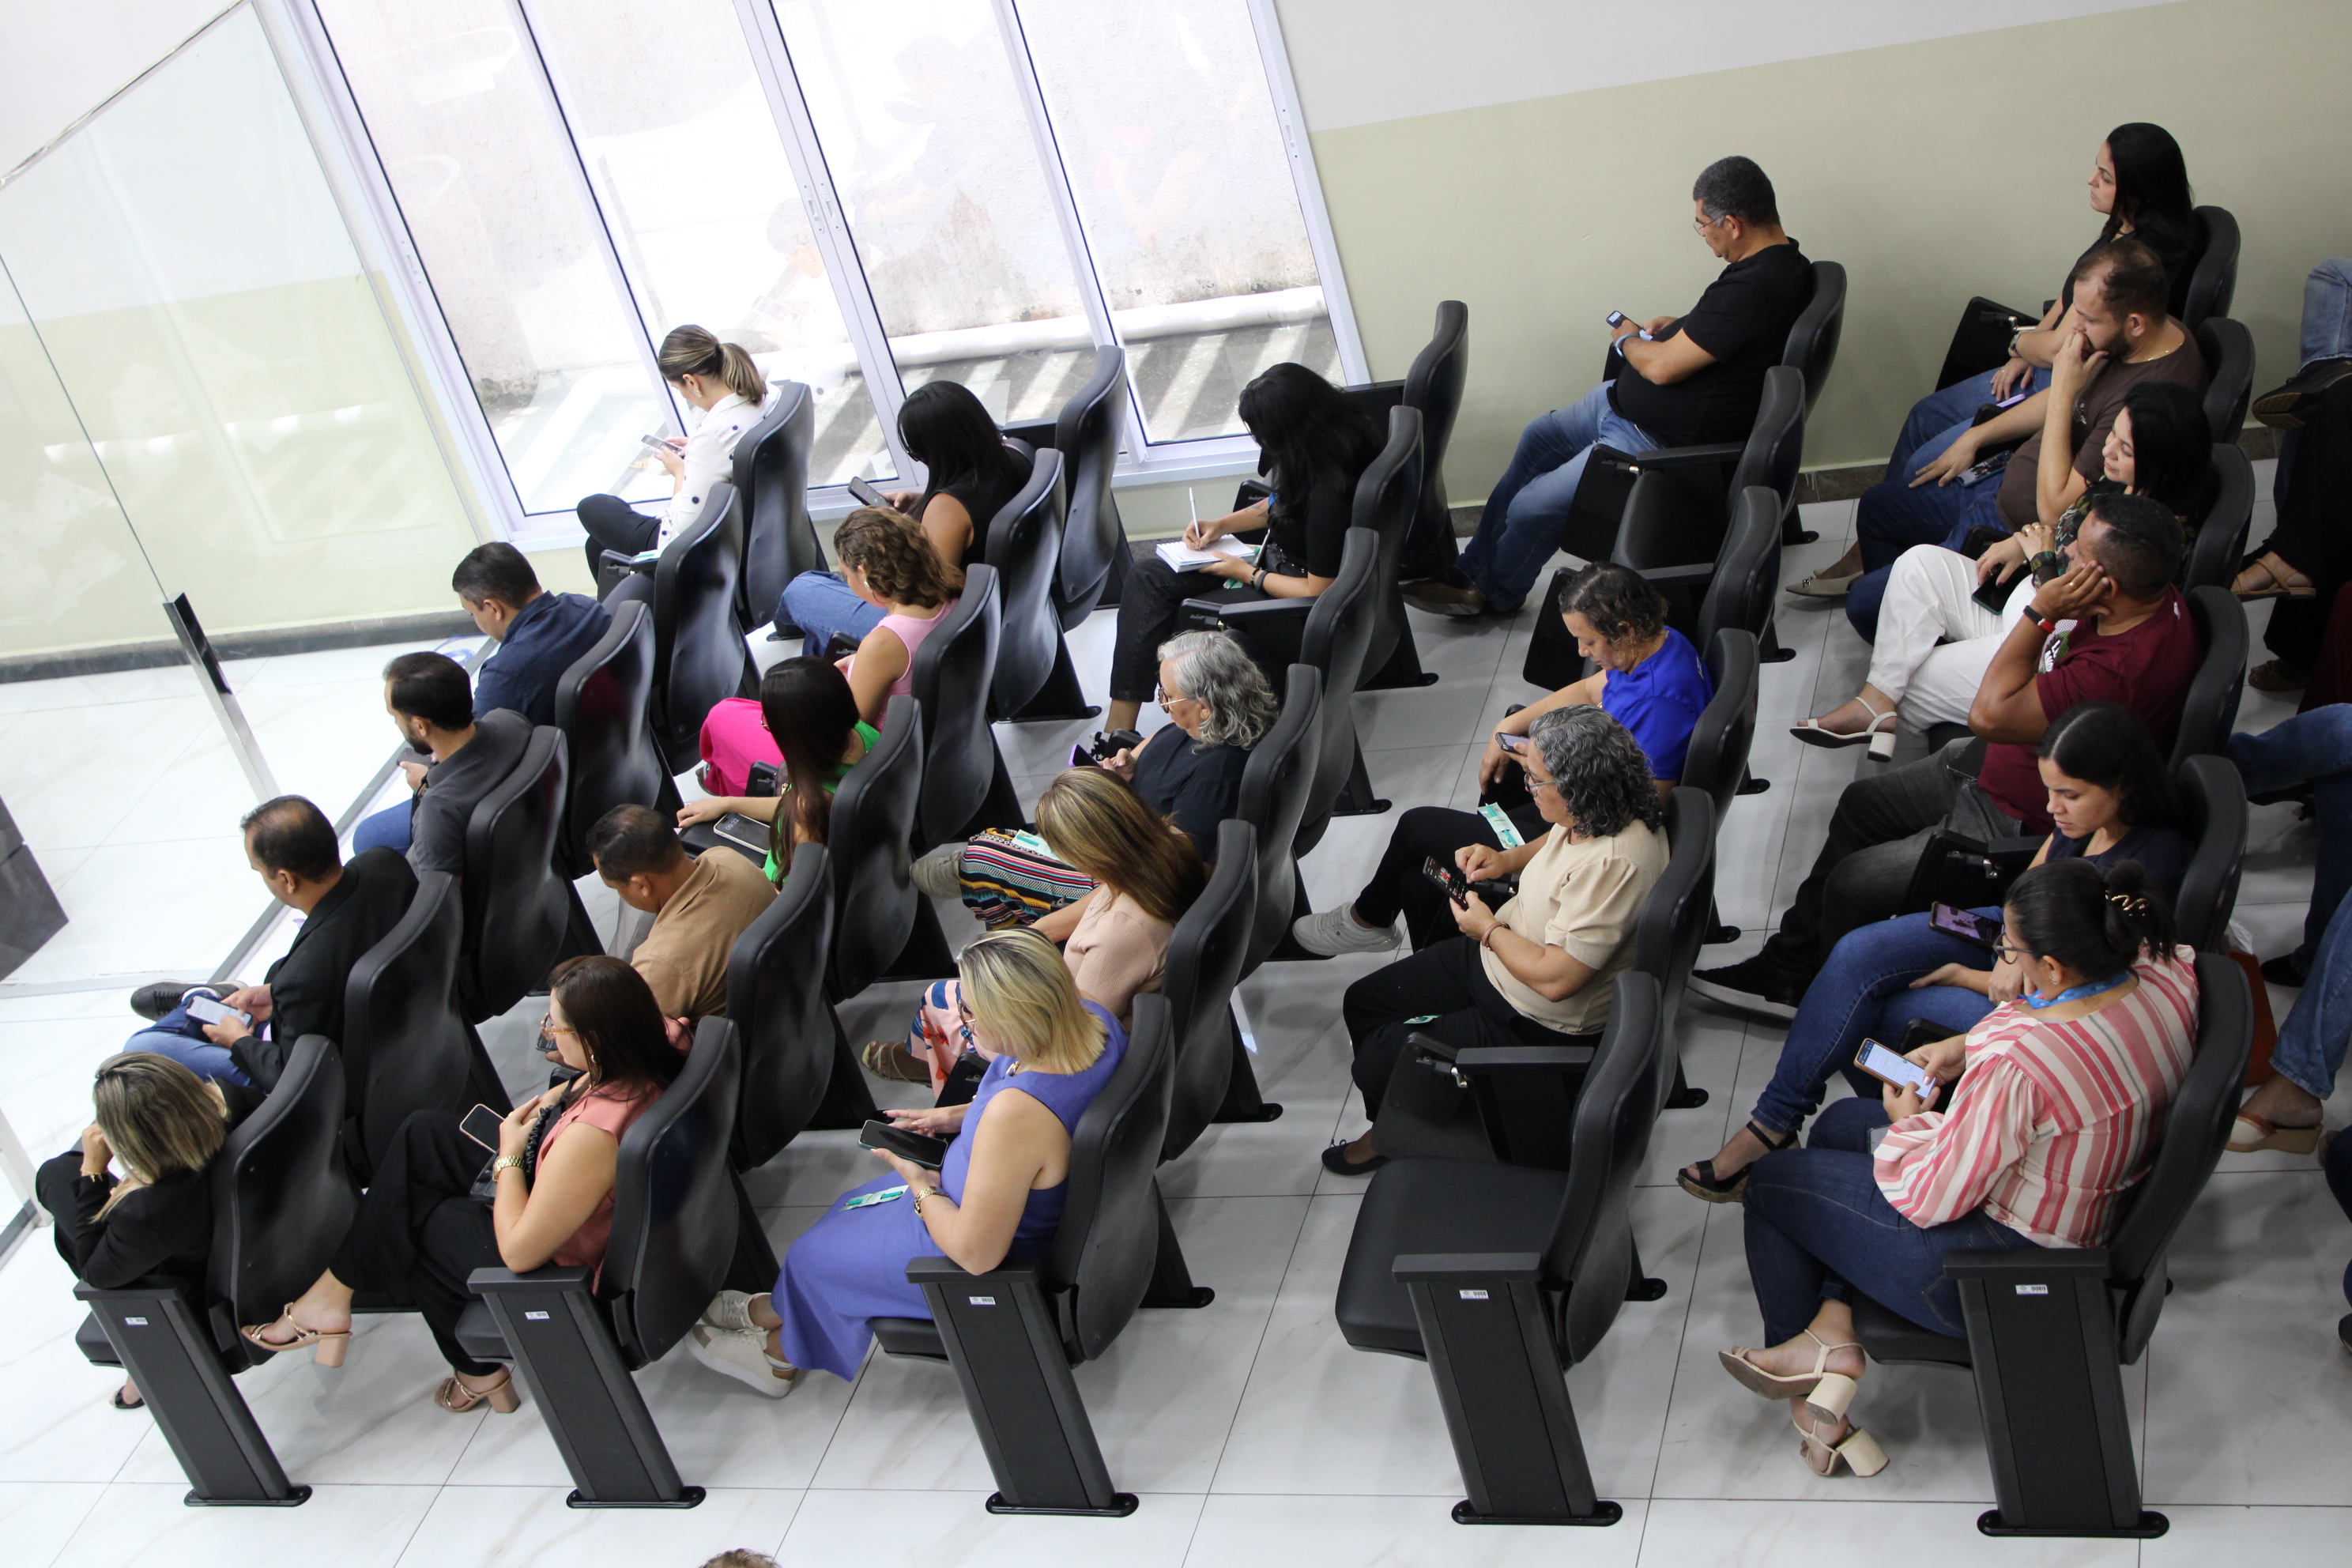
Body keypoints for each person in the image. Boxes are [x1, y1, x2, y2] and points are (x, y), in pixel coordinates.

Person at [1722, 859, 2196, 1478]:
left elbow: (1928, 1197)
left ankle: (1812, 1400)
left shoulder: (2023, 1064)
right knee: (1839, 1128)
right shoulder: (2163, 969)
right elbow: (2059, 1023)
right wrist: (1964, 1045)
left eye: (2011, 949)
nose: (2004, 960)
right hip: (2080, 1201)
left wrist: (1905, 1123)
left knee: (1770, 1185)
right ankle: (1833, 1329)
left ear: (2053, 968)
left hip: (1997, 1267)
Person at [1691, 493, 2199, 1016]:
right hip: (1992, 762)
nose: (2065, 551)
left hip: (2014, 813)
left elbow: (1988, 713)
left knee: (1854, 883)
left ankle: (1814, 1002)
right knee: (1861, 804)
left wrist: (2041, 613)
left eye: (2078, 553)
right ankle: (1790, 964)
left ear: (2105, 585)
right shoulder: (2139, 598)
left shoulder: (2117, 671)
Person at [1679, 703, 2190, 1200]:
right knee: (1858, 953)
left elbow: (2082, 989)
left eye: (2069, 795)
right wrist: (2009, 949)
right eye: (2049, 791)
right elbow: (2030, 884)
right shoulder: (2083, 819)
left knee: (1880, 1014)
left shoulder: (2149, 868)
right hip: (2018, 941)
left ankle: (1911, 1135)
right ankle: (1775, 1123)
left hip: (2050, 989)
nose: (2052, 809)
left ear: (2122, 785)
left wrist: (1972, 976)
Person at [683, 929, 1129, 1394]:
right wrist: (955, 1116)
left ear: (1014, 1017)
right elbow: (1033, 1118)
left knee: (813, 1255)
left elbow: (977, 1254)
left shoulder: (1017, 1115)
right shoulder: (1090, 1019)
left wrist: (919, 1182)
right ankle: (777, 1309)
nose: (965, 1023)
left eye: (971, 1012)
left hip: (975, 1244)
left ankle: (778, 1355)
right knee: (846, 1210)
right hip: (992, 1188)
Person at [239, 957, 685, 1413]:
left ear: (594, 1039)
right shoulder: (661, 1037)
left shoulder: (593, 1136)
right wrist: (566, 1090)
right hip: (583, 1196)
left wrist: (510, 1155)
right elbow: (581, 1093)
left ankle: (476, 1371)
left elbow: (519, 1252)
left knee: (415, 1224)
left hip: (566, 1262)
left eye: (556, 1026)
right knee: (424, 1134)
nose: (548, 1032)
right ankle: (334, 1296)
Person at [1406, 157, 1811, 619]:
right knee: (1538, 437)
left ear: (1733, 224)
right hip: (1621, 408)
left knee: (1529, 508)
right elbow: (1732, 335)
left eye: (1702, 224)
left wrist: (1628, 340)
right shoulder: (1779, 264)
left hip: (1649, 441)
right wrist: (1683, 326)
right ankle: (1471, 575)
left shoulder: (1756, 287)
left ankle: (1495, 591)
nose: (1703, 235)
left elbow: (1661, 369)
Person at [1291, 564, 1710, 956]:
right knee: (1419, 879)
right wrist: (1505, 727)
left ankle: (1367, 920)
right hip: (1576, 801)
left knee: (1416, 828)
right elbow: (1589, 690)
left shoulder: (1660, 704)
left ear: (1623, 629)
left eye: (1589, 642)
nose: (1582, 651)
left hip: (1580, 829)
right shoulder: (1652, 645)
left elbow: (1632, 816)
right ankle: (1439, 949)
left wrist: (1527, 825)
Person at [1324, 707, 1669, 1175]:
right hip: (1499, 958)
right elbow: (1556, 838)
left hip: (1531, 1013)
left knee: (1378, 1059)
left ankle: (1392, 1129)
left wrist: (1487, 930)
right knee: (1364, 1002)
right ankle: (1398, 1117)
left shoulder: (1613, 865)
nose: (1528, 787)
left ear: (1576, 786)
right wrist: (1505, 860)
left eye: (1535, 780)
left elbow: (1557, 980)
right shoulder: (1598, 808)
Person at [1807, 238, 2204, 633]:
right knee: (1877, 508)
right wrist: (1977, 437)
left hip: (2013, 526)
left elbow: (2055, 510)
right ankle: (1911, 620)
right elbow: (2066, 399)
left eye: (2089, 319)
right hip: (2000, 481)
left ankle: (1922, 621)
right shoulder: (2136, 338)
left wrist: (2063, 390)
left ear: (2135, 323)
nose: (2076, 328)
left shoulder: (2143, 405)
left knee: (1864, 605)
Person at [1794, 383, 2211, 751]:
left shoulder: (2150, 541)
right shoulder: (2122, 483)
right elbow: (2068, 533)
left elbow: (2078, 615)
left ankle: (1900, 789)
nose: (2107, 450)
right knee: (1919, 563)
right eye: (2112, 435)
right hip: (2031, 597)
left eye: (2125, 449)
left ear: (2162, 462)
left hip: (2047, 637)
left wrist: (2043, 561)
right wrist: (2026, 542)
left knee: (1913, 684)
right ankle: (1874, 701)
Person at [1848, 127, 2198, 505]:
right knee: (1923, 416)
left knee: (1923, 463)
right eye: (2096, 169)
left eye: (2106, 177)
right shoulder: (2122, 226)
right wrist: (2025, 350)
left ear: (2140, 192)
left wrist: (2019, 342)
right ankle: (1887, 521)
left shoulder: (2142, 259)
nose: (2091, 180)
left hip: (2062, 373)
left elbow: (2060, 348)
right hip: (2045, 362)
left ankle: (1895, 515)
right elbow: (2069, 298)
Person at [875, 764, 1205, 1088]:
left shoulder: (1123, 932)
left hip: (1066, 1035)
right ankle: (933, 1060)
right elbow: (1098, 901)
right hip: (1072, 997)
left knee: (942, 1000)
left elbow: (1081, 1037)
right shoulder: (1164, 848)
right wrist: (1030, 938)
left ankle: (938, 1065)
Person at [920, 630, 1274, 927]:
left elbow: (1172, 879)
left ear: (1204, 706)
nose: (1163, 705)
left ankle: (986, 893)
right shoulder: (1201, 726)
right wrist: (1128, 764)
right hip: (1114, 834)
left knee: (987, 860)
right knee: (1003, 843)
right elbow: (1153, 745)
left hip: (1122, 876)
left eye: (1167, 697)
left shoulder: (1215, 778)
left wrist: (1043, 931)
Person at [1104, 363, 1381, 733]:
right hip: (1275, 566)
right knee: (1147, 577)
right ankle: (1120, 725)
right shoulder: (1326, 448)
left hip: (1291, 600)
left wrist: (1247, 573)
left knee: (1163, 608)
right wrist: (1221, 524)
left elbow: (1319, 591)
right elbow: (1281, 503)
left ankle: (1122, 731)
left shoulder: (1330, 493)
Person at [124, 797, 414, 1089]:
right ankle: (199, 1002)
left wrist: (239, 1041)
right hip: (406, 1019)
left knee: (144, 1046)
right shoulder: (384, 863)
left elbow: (293, 1079)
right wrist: (277, 996)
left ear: (287, 879)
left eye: (261, 872)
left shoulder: (303, 975)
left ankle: (198, 1000)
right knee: (274, 973)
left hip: (349, 1082)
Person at [36, 1052, 262, 1410]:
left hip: (203, 1305)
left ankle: (141, 1359)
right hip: (254, 1251)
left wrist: (94, 1173)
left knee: (55, 1178)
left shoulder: (151, 1209)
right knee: (59, 1174)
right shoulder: (237, 1102)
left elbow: (96, 1273)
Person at [777, 380, 1027, 656]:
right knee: (821, 623)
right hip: (1001, 611)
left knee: (801, 589)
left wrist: (891, 534)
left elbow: (926, 595)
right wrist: (921, 503)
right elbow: (977, 509)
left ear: (935, 450)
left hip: (930, 631)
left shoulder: (949, 508)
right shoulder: (1015, 457)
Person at [576, 325, 768, 581]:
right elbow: (730, 450)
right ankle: (643, 605)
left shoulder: (712, 436)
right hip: (751, 532)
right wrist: (699, 451)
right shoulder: (766, 396)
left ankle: (663, 601)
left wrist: (680, 471)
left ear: (692, 381)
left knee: (591, 506)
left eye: (679, 389)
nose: (685, 395)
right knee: (598, 546)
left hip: (686, 551)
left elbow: (683, 528)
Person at [684, 658, 876, 884]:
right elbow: (795, 801)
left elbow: (799, 893)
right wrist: (727, 804)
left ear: (793, 734)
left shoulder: (809, 810)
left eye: (768, 722)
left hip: (771, 884)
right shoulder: (860, 733)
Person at [587, 805, 775, 1024]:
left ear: (641, 885)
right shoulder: (728, 857)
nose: (621, 895)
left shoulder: (658, 964)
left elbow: (624, 1040)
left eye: (617, 888)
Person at [349, 651, 535, 870]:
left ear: (420, 726)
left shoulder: (438, 810)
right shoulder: (512, 722)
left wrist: (427, 790)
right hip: (528, 855)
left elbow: (440, 891)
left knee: (366, 837)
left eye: (396, 716)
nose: (396, 723)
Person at [454, 542, 610, 728]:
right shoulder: (585, 607)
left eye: (472, 614)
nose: (476, 621)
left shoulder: (506, 674)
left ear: (494, 608)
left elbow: (479, 743)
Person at [826, 505, 957, 724]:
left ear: (864, 573)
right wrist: (861, 665)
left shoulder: (883, 643)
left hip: (895, 740)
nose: (847, 581)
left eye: (846, 573)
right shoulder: (952, 591)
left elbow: (855, 730)